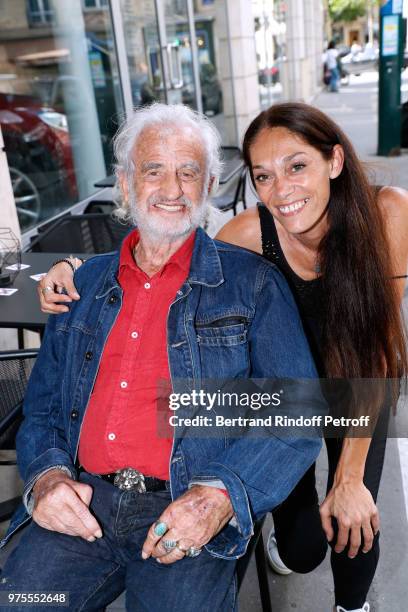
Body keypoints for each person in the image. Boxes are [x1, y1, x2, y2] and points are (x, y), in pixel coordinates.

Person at [39, 102, 408, 612]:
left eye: (297, 166)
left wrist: (348, 478)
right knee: (304, 549)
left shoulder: (388, 212)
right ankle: (286, 543)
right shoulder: (250, 234)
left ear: (335, 162)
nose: (283, 190)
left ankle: (353, 605)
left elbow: (377, 346)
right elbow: (174, 252)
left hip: (358, 379)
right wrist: (75, 268)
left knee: (352, 521)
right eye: (263, 176)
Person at [0, 103, 325, 612]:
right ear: (126, 185)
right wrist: (47, 478)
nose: (172, 189)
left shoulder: (252, 285)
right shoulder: (79, 286)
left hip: (185, 504)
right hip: (84, 503)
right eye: (154, 170)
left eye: (188, 172)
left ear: (209, 184)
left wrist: (219, 498)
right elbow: (41, 408)